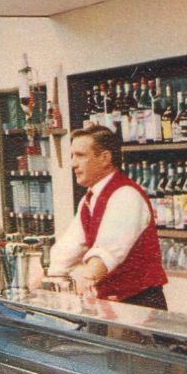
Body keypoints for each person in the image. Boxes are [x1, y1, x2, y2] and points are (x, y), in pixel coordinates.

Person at [48, 125, 169, 309]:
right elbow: (67, 250)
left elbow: (106, 253)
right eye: (72, 156)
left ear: (105, 158)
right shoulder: (89, 200)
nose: (73, 163)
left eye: (80, 155)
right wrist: (46, 278)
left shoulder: (126, 195)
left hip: (139, 304)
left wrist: (85, 278)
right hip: (110, 304)